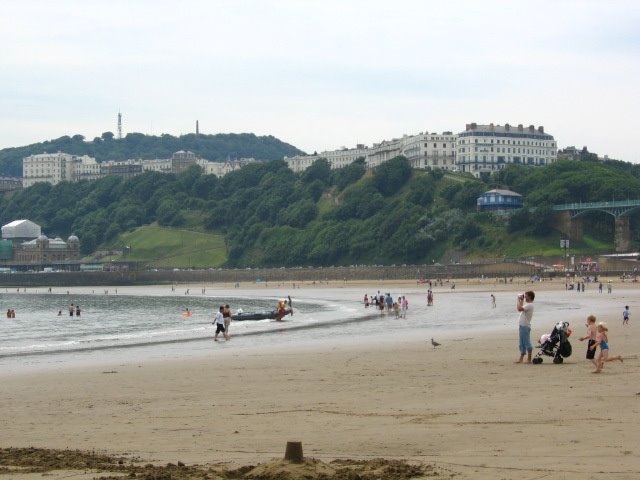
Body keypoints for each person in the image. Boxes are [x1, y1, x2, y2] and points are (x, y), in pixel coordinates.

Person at [515, 291, 535, 364]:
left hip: (525, 326)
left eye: (526, 296)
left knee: (526, 342)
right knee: (522, 343)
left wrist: (518, 300)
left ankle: (529, 359)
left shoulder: (530, 305)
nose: (525, 297)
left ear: (529, 296)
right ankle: (521, 359)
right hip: (523, 326)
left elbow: (519, 309)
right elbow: (521, 308)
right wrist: (521, 300)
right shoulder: (528, 305)